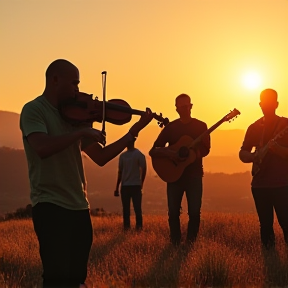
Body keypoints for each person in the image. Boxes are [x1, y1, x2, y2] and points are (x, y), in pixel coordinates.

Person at [19, 59, 153, 288]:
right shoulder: (34, 110)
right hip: (50, 205)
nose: (77, 90)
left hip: (79, 207)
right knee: (56, 278)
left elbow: (101, 157)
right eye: (74, 84)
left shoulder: (72, 117)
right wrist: (80, 132)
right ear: (54, 80)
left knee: (76, 278)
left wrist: (133, 132)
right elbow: (41, 147)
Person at [149, 93, 210, 246]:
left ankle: (191, 244)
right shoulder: (171, 128)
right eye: (181, 106)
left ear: (191, 106)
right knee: (173, 212)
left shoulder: (201, 126)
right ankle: (175, 243)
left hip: (194, 175)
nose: (185, 109)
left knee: (195, 212)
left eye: (187, 106)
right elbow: (154, 150)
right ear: (176, 109)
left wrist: (193, 155)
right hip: (174, 175)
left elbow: (206, 149)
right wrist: (170, 153)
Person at [239, 88, 288, 249]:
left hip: (282, 185)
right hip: (260, 185)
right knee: (265, 226)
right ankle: (270, 261)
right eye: (263, 102)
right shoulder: (254, 127)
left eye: (269, 102)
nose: (265, 105)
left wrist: (277, 149)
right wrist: (255, 156)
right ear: (260, 104)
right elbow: (243, 153)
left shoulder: (285, 125)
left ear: (276, 104)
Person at [114, 138, 147, 231]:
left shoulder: (124, 156)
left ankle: (130, 228)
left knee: (129, 210)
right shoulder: (138, 155)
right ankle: (136, 228)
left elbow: (120, 172)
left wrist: (117, 187)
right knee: (134, 209)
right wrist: (141, 183)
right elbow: (144, 169)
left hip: (128, 186)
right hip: (133, 185)